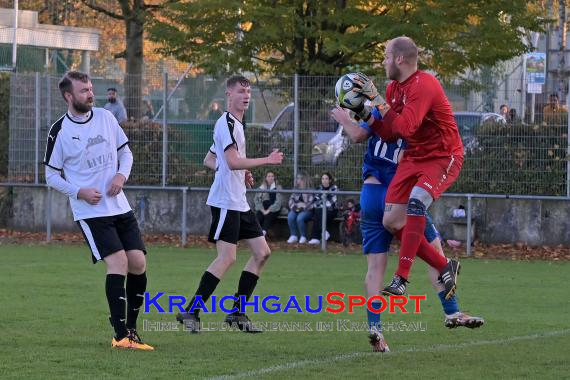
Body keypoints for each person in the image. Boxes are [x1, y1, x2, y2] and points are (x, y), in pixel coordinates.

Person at [332, 105, 484, 352]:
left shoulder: (379, 111)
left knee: (375, 268)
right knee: (434, 250)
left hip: (370, 194)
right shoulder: (415, 119)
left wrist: (344, 118)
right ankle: (452, 311)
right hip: (397, 196)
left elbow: (358, 135)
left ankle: (375, 329)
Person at [43, 71, 153, 350]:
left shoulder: (106, 117)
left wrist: (120, 177)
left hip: (119, 205)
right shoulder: (60, 131)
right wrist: (78, 191)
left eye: (91, 89)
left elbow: (126, 152)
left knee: (138, 263)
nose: (90, 94)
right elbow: (51, 175)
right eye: (83, 91)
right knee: (118, 263)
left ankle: (131, 328)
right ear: (69, 96)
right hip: (91, 212)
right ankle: (120, 336)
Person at [346, 36, 463, 300]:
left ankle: (401, 277)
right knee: (391, 221)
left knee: (416, 203)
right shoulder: (393, 89)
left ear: (400, 59)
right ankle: (445, 266)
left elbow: (405, 128)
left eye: (386, 56)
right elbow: (390, 133)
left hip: (443, 156)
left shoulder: (424, 85)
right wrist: (366, 115)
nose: (384, 61)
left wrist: (375, 98)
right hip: (415, 156)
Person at [176, 75, 284, 333]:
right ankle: (191, 311)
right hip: (226, 202)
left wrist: (236, 172)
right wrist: (265, 160)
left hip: (239, 202)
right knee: (227, 258)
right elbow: (233, 161)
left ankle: (237, 313)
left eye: (248, 91)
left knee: (262, 253)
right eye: (240, 91)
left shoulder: (236, 123)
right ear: (228, 95)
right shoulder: (226, 123)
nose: (246, 95)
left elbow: (210, 159)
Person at [308, 172, 338, 245]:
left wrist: (321, 202)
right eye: (323, 179)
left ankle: (315, 237)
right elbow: (315, 201)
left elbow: (331, 202)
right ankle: (323, 233)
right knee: (318, 211)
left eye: (326, 179)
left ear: (330, 180)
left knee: (318, 212)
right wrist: (322, 202)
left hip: (331, 210)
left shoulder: (334, 188)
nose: (324, 180)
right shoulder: (318, 188)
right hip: (321, 210)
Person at [253, 171, 284, 236]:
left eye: (272, 176)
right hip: (263, 208)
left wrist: (268, 211)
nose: (271, 178)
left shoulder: (278, 187)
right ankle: (256, 233)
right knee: (258, 216)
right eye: (269, 176)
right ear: (266, 178)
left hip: (275, 209)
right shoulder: (261, 188)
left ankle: (263, 232)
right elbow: (257, 200)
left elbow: (278, 202)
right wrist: (263, 210)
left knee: (268, 215)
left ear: (274, 178)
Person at [287, 173, 314, 244]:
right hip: (296, 209)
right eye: (298, 178)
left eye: (301, 179)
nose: (299, 180)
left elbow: (311, 203)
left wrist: (302, 207)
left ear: (305, 180)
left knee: (300, 218)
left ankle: (303, 236)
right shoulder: (295, 189)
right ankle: (293, 235)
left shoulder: (310, 190)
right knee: (290, 216)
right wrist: (294, 207)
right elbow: (291, 201)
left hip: (307, 210)